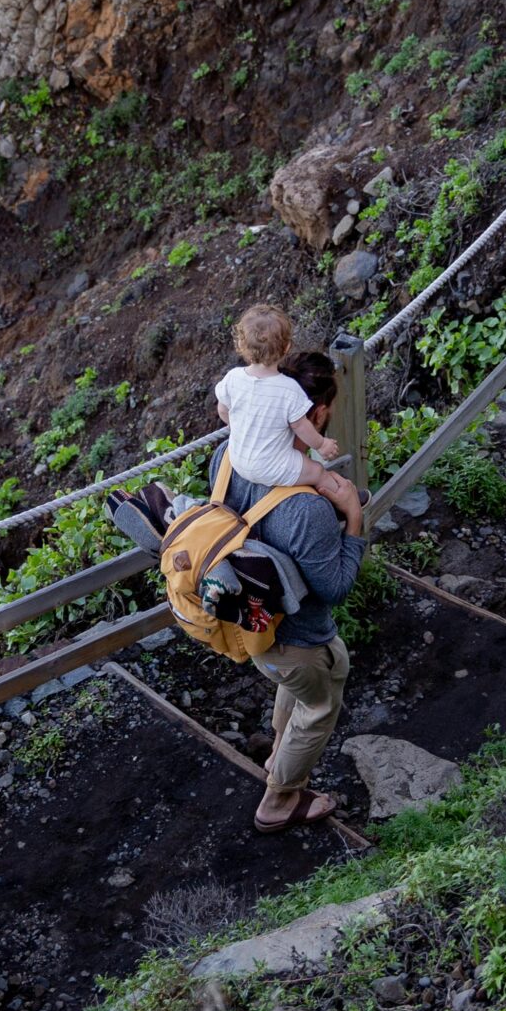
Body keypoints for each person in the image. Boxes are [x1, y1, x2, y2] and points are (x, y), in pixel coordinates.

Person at [222, 346, 366, 832]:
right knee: (320, 703)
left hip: (247, 618)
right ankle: (278, 800)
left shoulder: (229, 457)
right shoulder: (306, 510)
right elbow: (337, 587)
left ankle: (280, 748)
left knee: (331, 664)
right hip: (292, 636)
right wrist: (352, 517)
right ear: (318, 412)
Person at [216, 303, 353, 515]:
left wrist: (241, 427)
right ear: (287, 347)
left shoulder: (233, 377)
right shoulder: (288, 389)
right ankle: (343, 502)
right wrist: (322, 445)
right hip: (271, 466)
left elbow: (223, 409)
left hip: (238, 459)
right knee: (316, 471)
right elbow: (300, 425)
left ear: (241, 346)